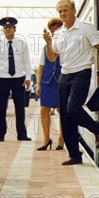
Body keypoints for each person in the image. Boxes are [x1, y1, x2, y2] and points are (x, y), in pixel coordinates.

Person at [45, 0, 99, 165]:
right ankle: (74, 155)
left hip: (81, 73)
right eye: (60, 12)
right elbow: (52, 57)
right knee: (65, 116)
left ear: (74, 11)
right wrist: (49, 43)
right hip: (64, 75)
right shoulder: (59, 33)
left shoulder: (86, 27)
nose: (63, 14)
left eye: (66, 10)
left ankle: (98, 129)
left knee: (73, 109)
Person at [0, 17, 32, 142]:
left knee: (20, 108)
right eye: (5, 28)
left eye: (10, 27)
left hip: (19, 79)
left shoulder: (22, 44)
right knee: (1, 108)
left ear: (15, 29)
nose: (8, 29)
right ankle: (0, 134)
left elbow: (27, 63)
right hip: (2, 79)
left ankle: (22, 134)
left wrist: (28, 78)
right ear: (3, 30)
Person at [36, 18, 65, 151]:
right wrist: (38, 84)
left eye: (56, 30)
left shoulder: (65, 45)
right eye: (52, 31)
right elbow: (41, 67)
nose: (54, 33)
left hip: (61, 81)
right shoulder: (45, 48)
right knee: (43, 110)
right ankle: (46, 139)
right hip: (47, 82)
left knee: (62, 111)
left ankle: (61, 138)